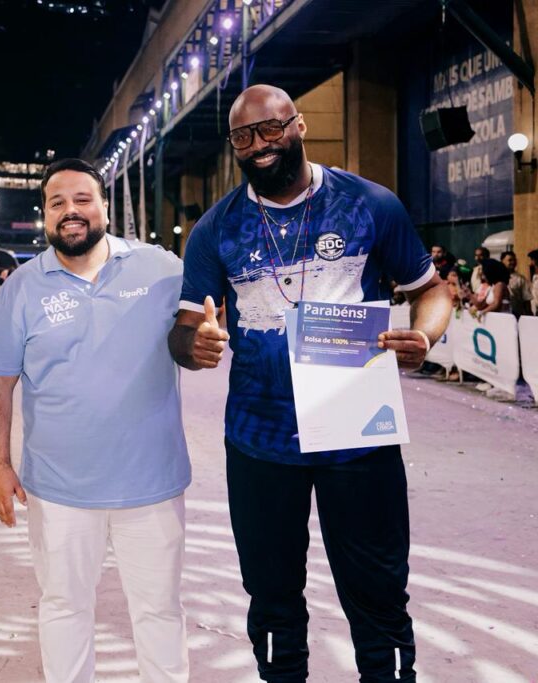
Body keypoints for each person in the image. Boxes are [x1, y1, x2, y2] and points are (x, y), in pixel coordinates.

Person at [168, 84, 451, 682]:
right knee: (272, 597)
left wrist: (425, 337)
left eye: (270, 128)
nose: (258, 144)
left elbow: (431, 290)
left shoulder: (368, 204)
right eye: (242, 136)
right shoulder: (216, 230)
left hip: (358, 436)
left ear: (298, 125)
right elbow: (185, 330)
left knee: (378, 593)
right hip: (261, 443)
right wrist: (192, 346)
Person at [0, 158, 191, 682]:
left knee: (159, 611)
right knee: (64, 607)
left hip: (151, 483)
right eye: (57, 203)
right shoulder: (21, 288)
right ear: (45, 214)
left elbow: (203, 322)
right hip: (59, 489)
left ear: (104, 207)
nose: (70, 211)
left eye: (82, 199)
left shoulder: (161, 268)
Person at [500, 250, 532, 317]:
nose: (513, 262)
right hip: (500, 315)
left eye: (514, 260)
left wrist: (528, 315)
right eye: (510, 260)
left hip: (516, 315)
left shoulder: (520, 279)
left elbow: (526, 300)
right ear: (502, 261)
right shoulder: (497, 277)